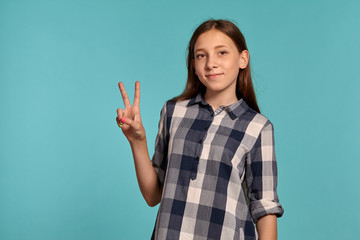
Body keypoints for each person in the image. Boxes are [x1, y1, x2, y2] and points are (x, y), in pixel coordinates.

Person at [116, 19, 284, 240]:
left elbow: (265, 209)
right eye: (201, 55)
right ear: (193, 64)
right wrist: (137, 140)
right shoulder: (173, 111)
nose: (210, 63)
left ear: (243, 59)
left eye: (222, 52)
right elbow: (153, 195)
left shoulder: (258, 127)